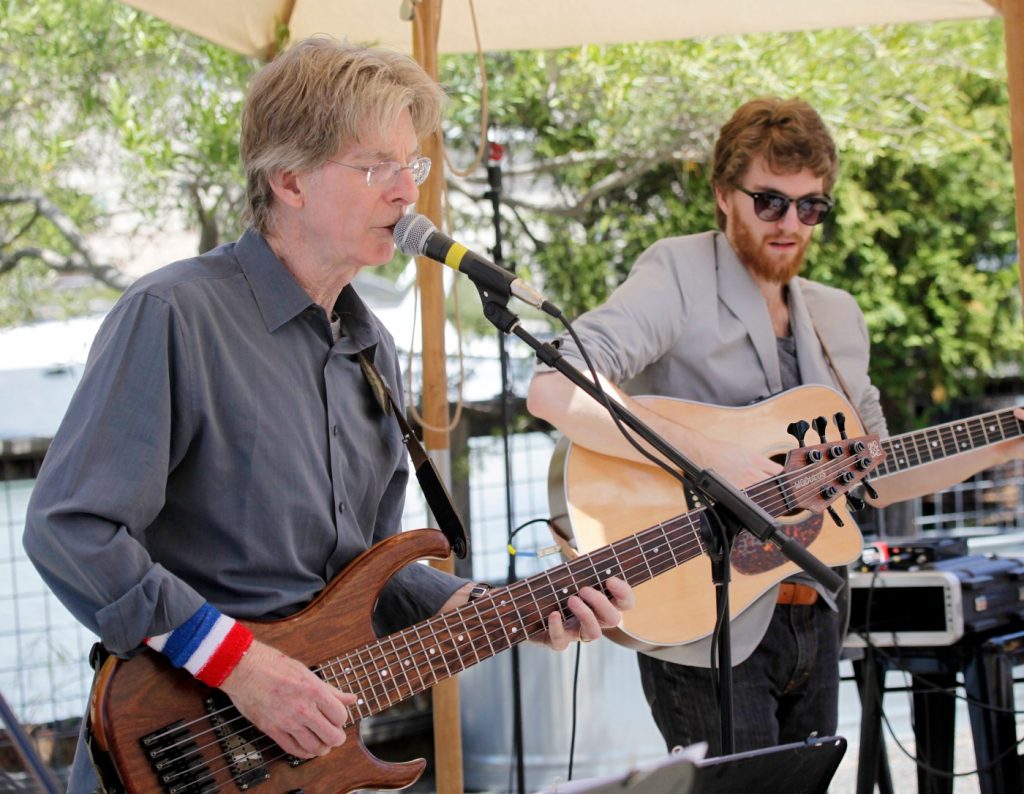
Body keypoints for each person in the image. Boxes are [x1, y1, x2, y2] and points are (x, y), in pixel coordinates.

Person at [23, 36, 632, 793]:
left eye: (411, 166)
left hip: (310, 761)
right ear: (289, 179)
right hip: (180, 750)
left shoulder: (369, 345)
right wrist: (240, 666)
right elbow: (70, 527)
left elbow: (363, 569)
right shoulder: (173, 313)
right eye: (376, 165)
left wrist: (499, 609)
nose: (408, 193)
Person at [527, 96, 1024, 756]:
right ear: (723, 195)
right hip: (705, 621)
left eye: (811, 206)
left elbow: (875, 473)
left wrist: (1002, 442)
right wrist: (713, 460)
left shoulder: (836, 316)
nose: (792, 223)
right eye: (770, 202)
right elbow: (557, 385)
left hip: (814, 618)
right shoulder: (677, 274)